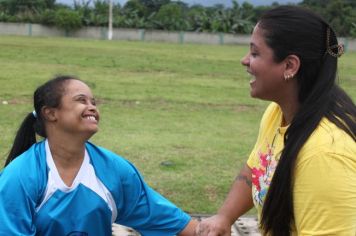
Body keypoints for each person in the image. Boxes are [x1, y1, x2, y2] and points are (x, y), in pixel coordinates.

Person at [196, 5, 356, 236]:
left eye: (255, 53)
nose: (244, 61)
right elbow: (258, 168)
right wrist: (225, 216)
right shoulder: (278, 113)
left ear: (290, 66)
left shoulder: (325, 155)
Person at [0, 75, 198, 236]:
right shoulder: (20, 176)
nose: (92, 107)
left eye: (93, 102)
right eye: (81, 100)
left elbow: (160, 216)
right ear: (51, 113)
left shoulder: (114, 169)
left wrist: (207, 228)